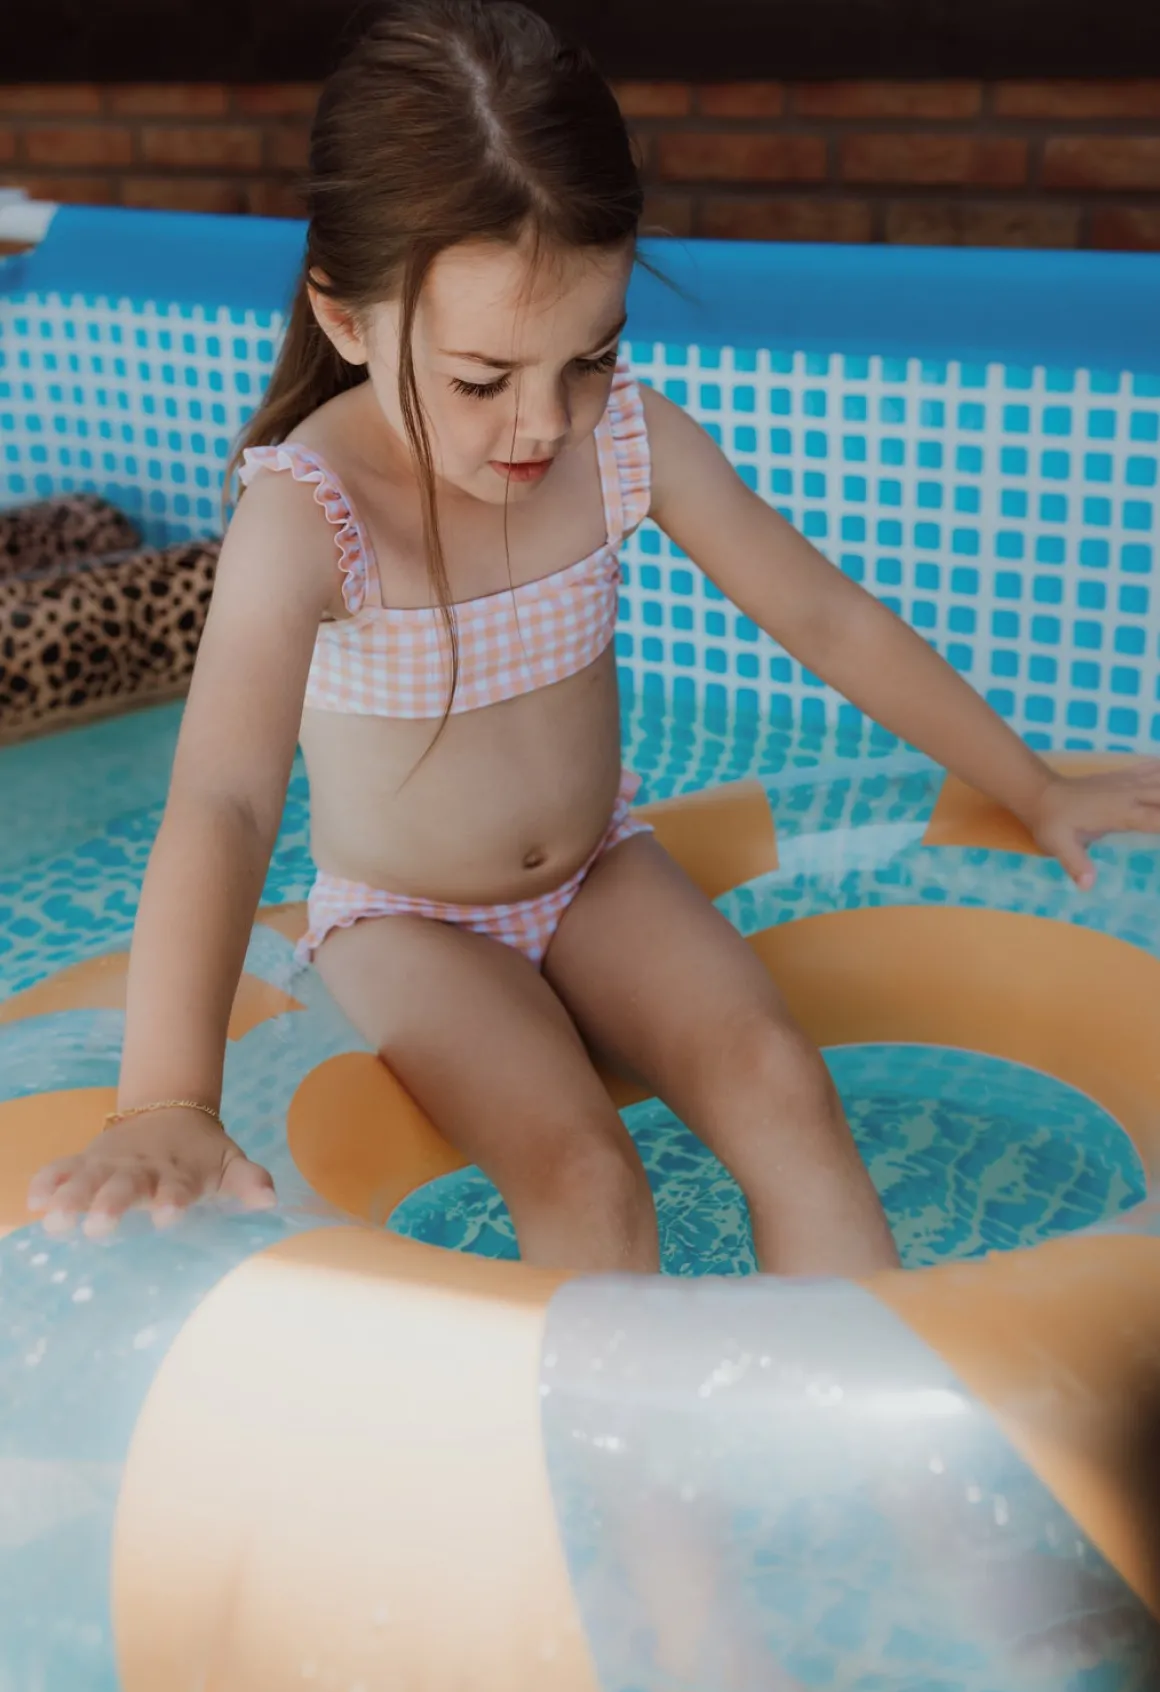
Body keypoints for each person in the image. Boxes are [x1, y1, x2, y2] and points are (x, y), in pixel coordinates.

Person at [28, 0, 1160, 1276]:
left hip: (598, 872)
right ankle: (612, 1423)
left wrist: (1033, 785)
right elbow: (225, 802)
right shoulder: (309, 517)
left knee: (780, 1079)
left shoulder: (624, 436)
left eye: (588, 354)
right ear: (347, 321)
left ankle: (866, 1403)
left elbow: (825, 617)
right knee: (583, 1172)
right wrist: (167, 1097)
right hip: (411, 923)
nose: (545, 422)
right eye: (481, 378)